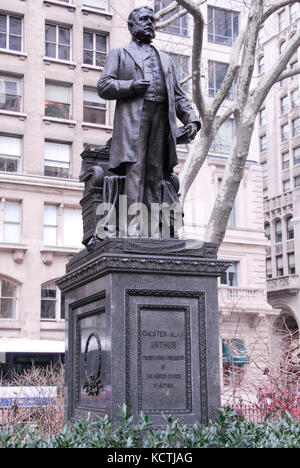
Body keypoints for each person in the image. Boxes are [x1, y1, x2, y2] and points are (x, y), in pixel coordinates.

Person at [97, 5, 201, 236]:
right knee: (136, 169)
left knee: (156, 172)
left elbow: (178, 94)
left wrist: (192, 119)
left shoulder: (166, 60)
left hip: (162, 119)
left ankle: (153, 227)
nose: (149, 24)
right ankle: (133, 226)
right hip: (135, 119)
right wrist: (131, 87)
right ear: (132, 25)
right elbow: (104, 86)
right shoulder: (120, 53)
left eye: (152, 21)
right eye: (144, 20)